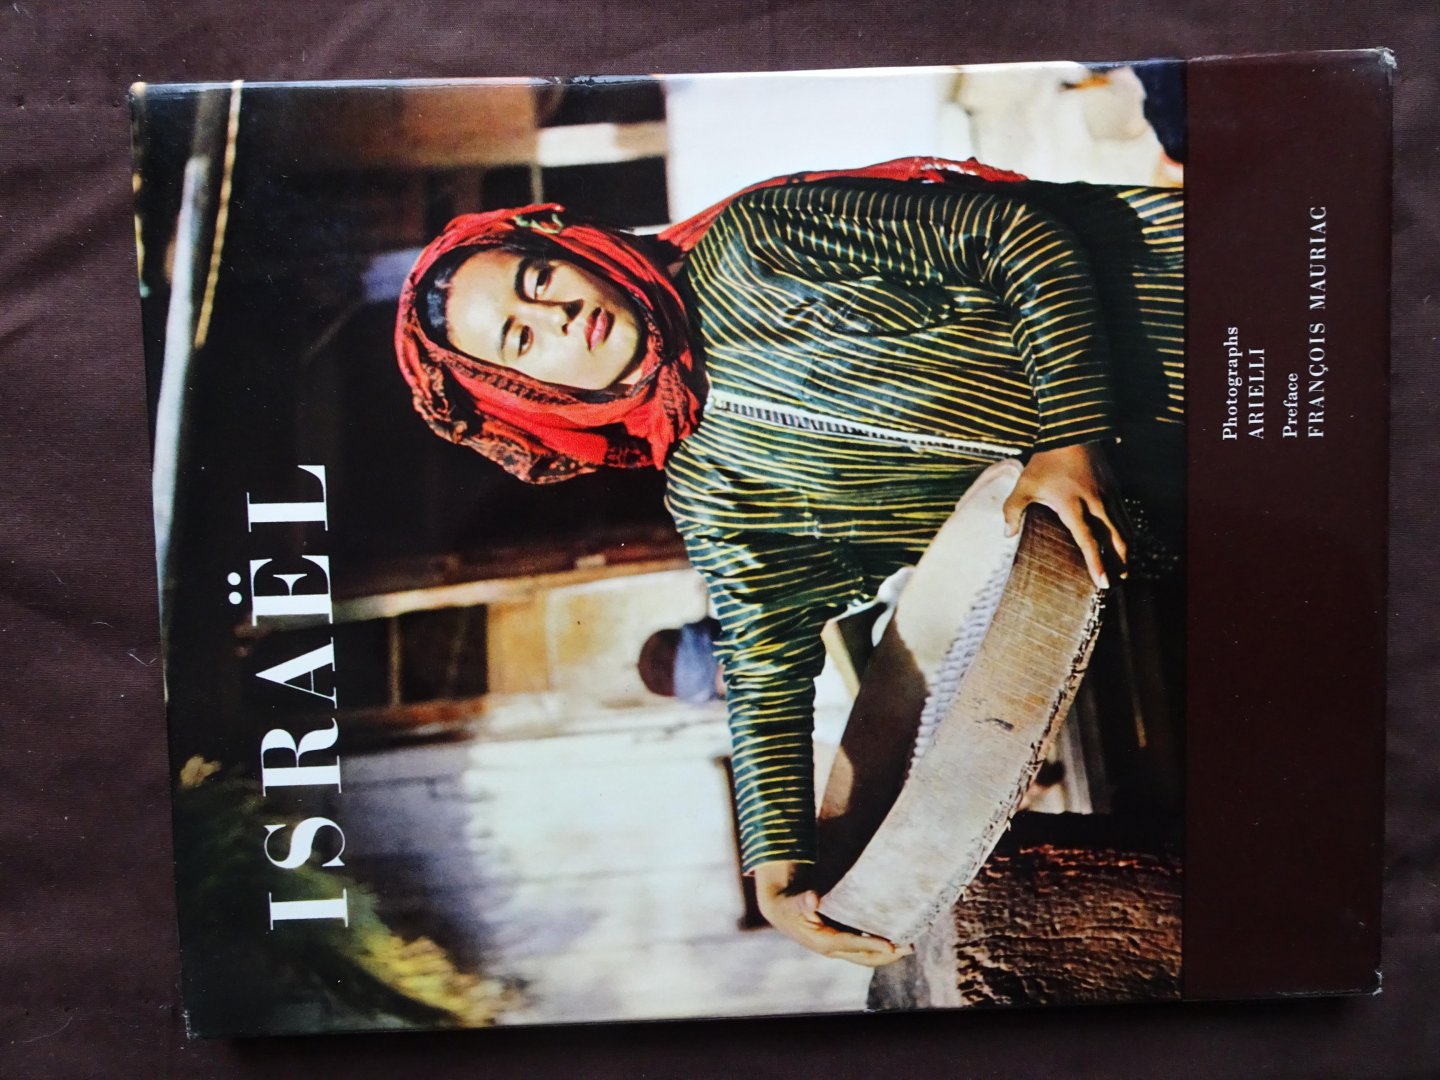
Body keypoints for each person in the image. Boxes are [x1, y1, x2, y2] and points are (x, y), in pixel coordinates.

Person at [395, 157, 1184, 967]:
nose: (558, 315)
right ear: (525, 393)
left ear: (569, 248)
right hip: (1178, 508)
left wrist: (1069, 433)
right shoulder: (711, 490)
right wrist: (775, 863)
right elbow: (762, 657)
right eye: (522, 339)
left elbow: (1011, 235)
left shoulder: (754, 242)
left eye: (537, 279)